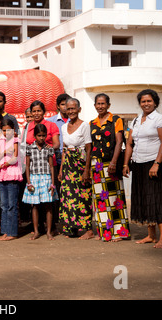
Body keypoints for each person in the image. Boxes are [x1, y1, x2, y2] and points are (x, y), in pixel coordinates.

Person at [123, 89, 162, 249]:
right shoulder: (137, 120)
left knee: (158, 199)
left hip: (154, 164)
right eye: (143, 101)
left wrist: (157, 164)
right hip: (138, 164)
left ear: (155, 102)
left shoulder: (161, 119)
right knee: (145, 198)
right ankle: (151, 236)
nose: (146, 104)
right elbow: (130, 143)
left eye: (149, 101)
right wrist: (126, 164)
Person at [90, 94, 130, 242]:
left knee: (114, 199)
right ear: (95, 105)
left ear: (108, 105)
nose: (100, 106)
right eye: (98, 104)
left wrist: (114, 162)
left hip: (110, 163)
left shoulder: (116, 120)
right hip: (96, 165)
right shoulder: (92, 123)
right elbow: (92, 146)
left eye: (103, 103)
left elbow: (119, 142)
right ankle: (104, 232)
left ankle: (119, 233)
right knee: (100, 199)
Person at [59, 98, 93, 239]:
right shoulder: (63, 127)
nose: (71, 111)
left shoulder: (84, 125)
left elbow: (89, 148)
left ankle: (88, 230)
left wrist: (87, 170)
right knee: (68, 197)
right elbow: (65, 148)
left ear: (79, 109)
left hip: (80, 164)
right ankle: (72, 228)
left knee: (83, 196)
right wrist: (61, 169)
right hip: (68, 165)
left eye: (74, 108)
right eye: (69, 109)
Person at [22, 124, 57, 240]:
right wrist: (28, 182)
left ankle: (48, 232)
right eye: (39, 135)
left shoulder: (49, 148)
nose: (41, 138)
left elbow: (52, 166)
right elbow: (27, 166)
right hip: (34, 178)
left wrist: (52, 183)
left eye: (43, 135)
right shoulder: (30, 148)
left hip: (46, 178)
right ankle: (36, 231)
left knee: (48, 206)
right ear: (35, 136)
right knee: (35, 206)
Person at [0, 119, 23, 241]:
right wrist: (5, 153)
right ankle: (5, 231)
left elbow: (15, 158)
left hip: (12, 173)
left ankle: (12, 232)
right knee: (3, 205)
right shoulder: (0, 141)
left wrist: (4, 162)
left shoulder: (16, 140)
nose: (6, 133)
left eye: (9, 130)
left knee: (12, 205)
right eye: (4, 130)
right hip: (2, 174)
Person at [47, 93, 70, 234]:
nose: (66, 107)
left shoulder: (76, 122)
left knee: (70, 193)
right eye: (63, 104)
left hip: (71, 160)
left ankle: (69, 223)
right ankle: (54, 224)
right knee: (55, 191)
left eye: (68, 105)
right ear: (57, 106)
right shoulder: (51, 122)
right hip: (55, 160)